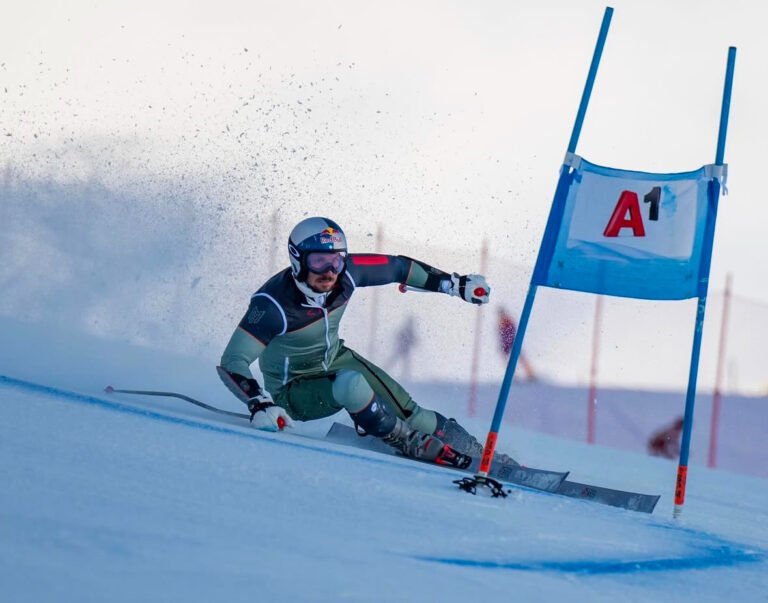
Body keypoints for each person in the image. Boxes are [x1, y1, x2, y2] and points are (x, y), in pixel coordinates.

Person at [218, 216, 518, 470]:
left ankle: (481, 455)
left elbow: (399, 268)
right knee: (351, 384)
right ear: (298, 259)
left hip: (335, 359)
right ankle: (406, 441)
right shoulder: (273, 304)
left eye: (336, 260)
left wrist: (454, 284)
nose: (329, 271)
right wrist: (260, 403)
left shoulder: (347, 273)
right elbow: (233, 361)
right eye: (319, 261)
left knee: (416, 415)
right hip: (293, 391)